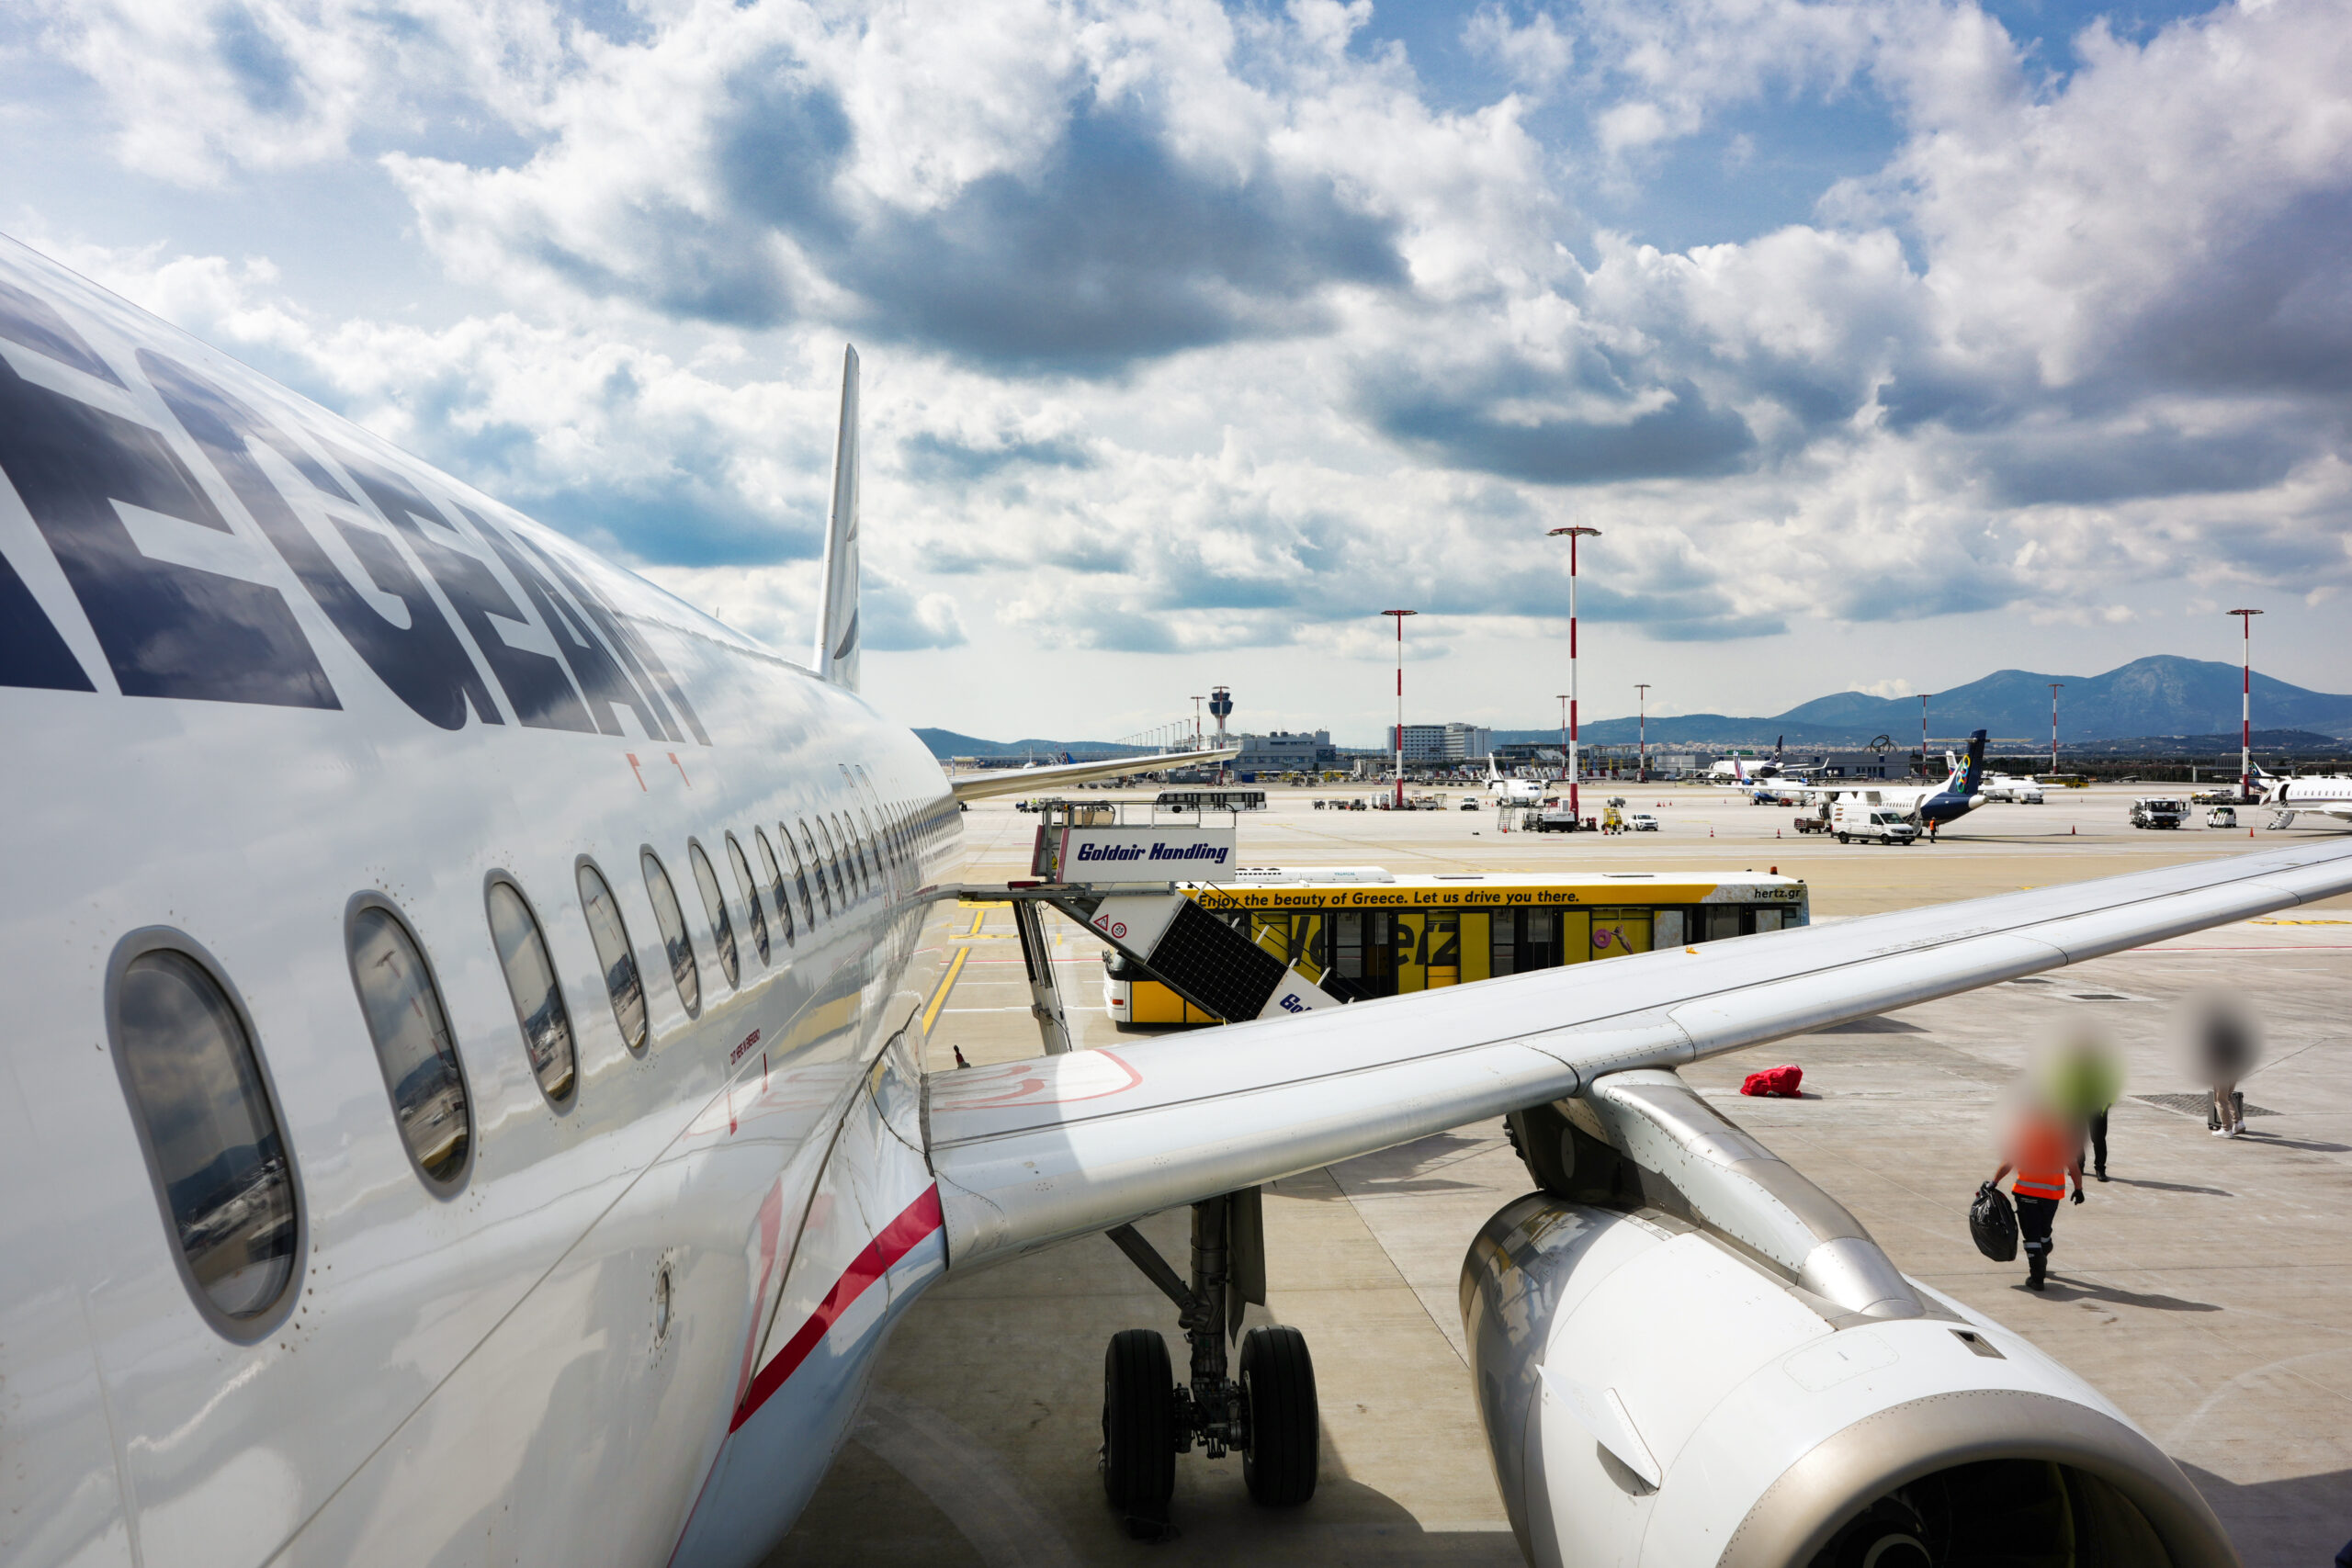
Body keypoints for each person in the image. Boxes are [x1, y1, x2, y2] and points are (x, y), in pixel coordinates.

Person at [1990, 1108, 2085, 1291]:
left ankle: (2037, 1277)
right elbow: (2073, 1167)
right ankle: (2045, 1247)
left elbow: (2008, 1163)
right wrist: (2079, 1189)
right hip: (2051, 1195)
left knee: (2031, 1235)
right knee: (2043, 1231)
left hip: (2026, 1194)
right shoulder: (2060, 1138)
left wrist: (1994, 1182)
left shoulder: (2025, 1136)